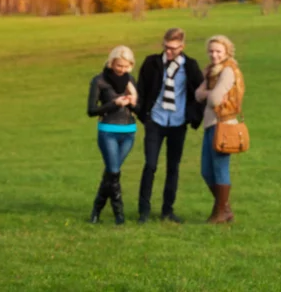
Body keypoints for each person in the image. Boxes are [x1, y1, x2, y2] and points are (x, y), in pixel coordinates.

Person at [135, 28, 205, 224]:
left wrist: (191, 117)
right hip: (155, 120)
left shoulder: (190, 66)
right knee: (150, 165)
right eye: (166, 47)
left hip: (177, 123)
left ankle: (168, 210)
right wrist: (145, 116)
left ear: (182, 47)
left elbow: (200, 93)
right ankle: (144, 211)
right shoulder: (152, 63)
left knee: (173, 167)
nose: (168, 52)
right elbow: (141, 89)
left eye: (173, 49)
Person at [195, 35, 245, 224]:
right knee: (206, 171)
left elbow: (214, 99)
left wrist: (207, 94)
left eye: (218, 51)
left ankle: (221, 212)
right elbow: (198, 94)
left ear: (227, 52)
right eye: (211, 51)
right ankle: (224, 208)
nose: (214, 55)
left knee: (219, 169)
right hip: (210, 124)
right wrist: (209, 94)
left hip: (224, 125)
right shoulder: (210, 70)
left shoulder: (228, 70)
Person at [87, 45, 138, 225]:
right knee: (114, 171)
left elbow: (138, 110)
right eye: (119, 66)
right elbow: (91, 110)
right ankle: (119, 215)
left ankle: (96, 211)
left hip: (128, 132)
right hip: (108, 131)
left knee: (111, 173)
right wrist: (114, 104)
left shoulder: (130, 80)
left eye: (126, 67)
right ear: (111, 63)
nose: (122, 70)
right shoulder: (99, 81)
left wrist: (132, 101)